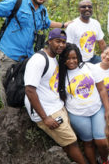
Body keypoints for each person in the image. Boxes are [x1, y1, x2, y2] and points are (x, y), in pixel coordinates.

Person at [0, 0, 70, 106]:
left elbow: (47, 23)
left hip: (27, 56)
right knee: (9, 87)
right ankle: (8, 114)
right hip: (9, 54)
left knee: (22, 85)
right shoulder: (17, 2)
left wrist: (64, 24)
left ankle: (21, 112)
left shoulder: (42, 11)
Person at [24, 28, 86, 164]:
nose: (61, 45)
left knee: (68, 143)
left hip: (56, 106)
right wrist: (45, 118)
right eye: (58, 41)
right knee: (72, 142)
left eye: (64, 42)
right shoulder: (39, 60)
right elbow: (29, 90)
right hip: (48, 112)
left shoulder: (54, 59)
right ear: (49, 41)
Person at [58, 43, 109, 164]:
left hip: (97, 109)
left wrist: (107, 110)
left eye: (74, 58)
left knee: (101, 141)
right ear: (63, 59)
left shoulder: (90, 67)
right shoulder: (60, 75)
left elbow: (102, 89)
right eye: (68, 58)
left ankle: (104, 160)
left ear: (79, 57)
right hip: (77, 114)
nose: (71, 61)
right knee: (88, 143)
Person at [66, 0, 106, 64]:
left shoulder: (95, 23)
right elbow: (68, 47)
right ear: (79, 9)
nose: (87, 9)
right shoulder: (72, 25)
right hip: (78, 60)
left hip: (92, 59)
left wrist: (107, 57)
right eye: (83, 7)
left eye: (90, 7)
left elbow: (101, 42)